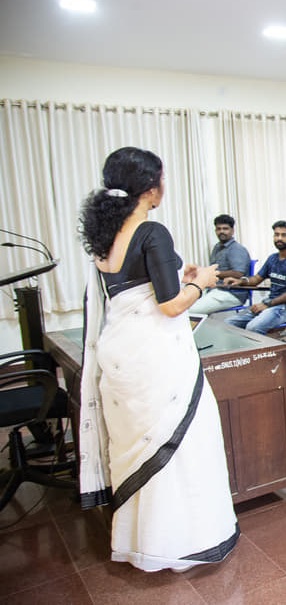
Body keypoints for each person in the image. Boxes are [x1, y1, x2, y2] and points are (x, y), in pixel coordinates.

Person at [78, 147, 238, 572]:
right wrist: (202, 282)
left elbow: (137, 289)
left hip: (120, 353)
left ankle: (140, 541)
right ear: (151, 187)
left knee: (136, 446)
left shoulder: (104, 237)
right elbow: (170, 307)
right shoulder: (152, 232)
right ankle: (182, 541)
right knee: (182, 444)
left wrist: (178, 280)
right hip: (155, 359)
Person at [223, 221, 286, 335]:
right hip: (271, 304)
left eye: (284, 235)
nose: (279, 238)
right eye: (276, 234)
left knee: (252, 328)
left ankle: (258, 352)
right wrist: (240, 281)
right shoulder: (272, 258)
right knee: (228, 323)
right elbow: (257, 279)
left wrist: (268, 304)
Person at [188, 214, 252, 315]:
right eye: (218, 229)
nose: (221, 231)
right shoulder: (217, 248)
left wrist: (209, 274)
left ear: (232, 230)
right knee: (183, 306)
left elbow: (238, 273)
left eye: (225, 228)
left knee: (191, 311)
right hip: (214, 290)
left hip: (232, 293)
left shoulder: (237, 249)